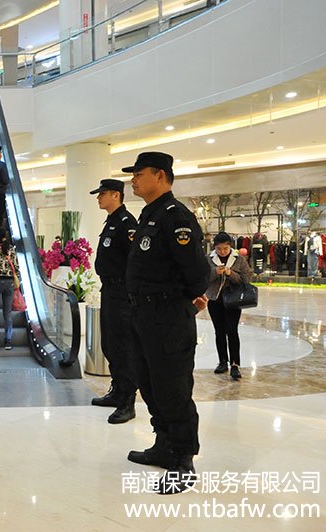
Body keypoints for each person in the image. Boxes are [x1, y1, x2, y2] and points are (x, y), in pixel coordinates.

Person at [123, 152, 210, 495]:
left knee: (173, 388)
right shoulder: (150, 214)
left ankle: (182, 459)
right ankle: (163, 444)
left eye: (139, 173)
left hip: (167, 317)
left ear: (160, 176)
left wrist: (181, 303)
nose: (133, 179)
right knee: (150, 383)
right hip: (143, 315)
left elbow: (197, 273)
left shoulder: (176, 217)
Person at [89, 179, 139, 424]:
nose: (99, 198)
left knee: (124, 346)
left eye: (102, 194)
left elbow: (134, 260)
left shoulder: (126, 223)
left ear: (116, 195)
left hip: (122, 292)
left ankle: (128, 401)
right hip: (109, 290)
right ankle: (117, 391)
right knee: (110, 344)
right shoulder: (111, 221)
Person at [205, 232, 251, 381]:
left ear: (230, 246)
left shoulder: (239, 259)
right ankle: (222, 361)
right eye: (219, 249)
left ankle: (235, 364)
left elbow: (246, 279)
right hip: (215, 300)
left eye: (225, 248)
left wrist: (231, 274)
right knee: (219, 331)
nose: (222, 251)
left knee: (232, 331)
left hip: (233, 301)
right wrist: (215, 272)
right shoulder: (209, 259)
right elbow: (203, 278)